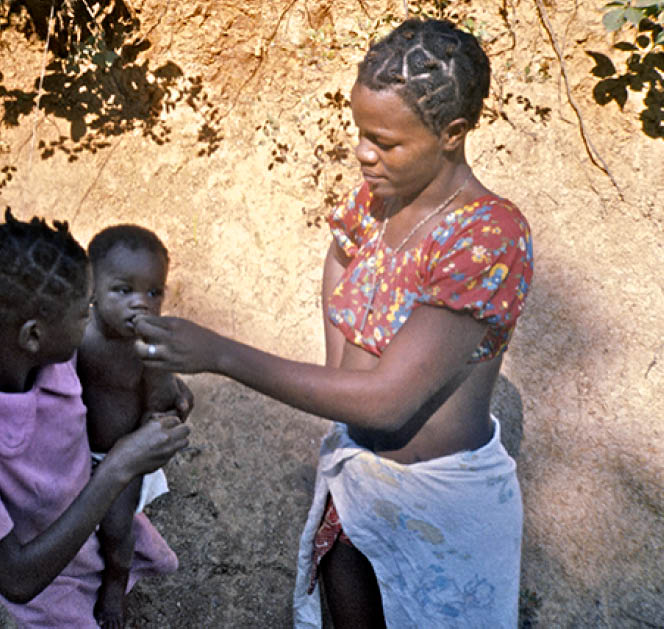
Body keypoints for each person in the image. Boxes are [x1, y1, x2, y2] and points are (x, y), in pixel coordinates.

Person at [133, 18, 533, 629]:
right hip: (357, 487)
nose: (364, 154)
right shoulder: (380, 200)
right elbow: (342, 253)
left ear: (452, 134)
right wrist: (337, 368)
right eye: (361, 133)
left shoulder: (487, 234)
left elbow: (388, 404)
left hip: (439, 506)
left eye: (386, 142)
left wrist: (220, 354)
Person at [0, 209, 190, 628]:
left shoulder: (45, 357)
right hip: (51, 584)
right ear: (34, 336)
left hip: (90, 529)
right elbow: (17, 579)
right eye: (83, 314)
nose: (92, 319)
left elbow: (110, 375)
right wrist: (118, 467)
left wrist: (162, 383)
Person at [78, 224, 192, 628]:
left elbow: (158, 406)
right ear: (91, 288)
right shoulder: (75, 335)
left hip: (122, 452)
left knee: (115, 528)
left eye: (153, 292)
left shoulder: (149, 349)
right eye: (123, 290)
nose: (140, 304)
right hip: (70, 449)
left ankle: (115, 580)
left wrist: (160, 420)